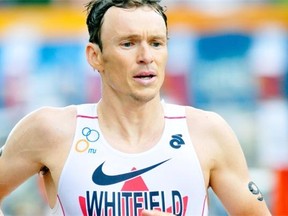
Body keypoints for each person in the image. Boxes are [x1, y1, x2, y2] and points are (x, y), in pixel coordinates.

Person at [0, 0, 271, 215]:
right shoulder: (50, 129)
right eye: (128, 44)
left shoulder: (207, 132)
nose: (146, 57)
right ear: (95, 56)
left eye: (156, 43)